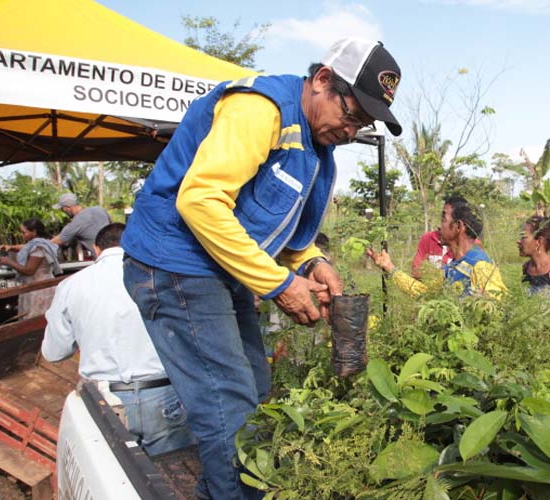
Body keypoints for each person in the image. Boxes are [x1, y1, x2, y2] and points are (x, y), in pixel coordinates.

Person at [120, 38, 402, 499]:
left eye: (363, 124)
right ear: (323, 80)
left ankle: (221, 491)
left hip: (216, 266)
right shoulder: (261, 110)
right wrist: (279, 284)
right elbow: (201, 201)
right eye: (351, 115)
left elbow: (273, 222)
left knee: (254, 382)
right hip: (174, 263)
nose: (352, 131)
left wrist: (312, 260)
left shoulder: (314, 139)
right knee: (227, 403)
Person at [42, 223, 194, 456]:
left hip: (104, 400)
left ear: (96, 248)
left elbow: (54, 353)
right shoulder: (165, 278)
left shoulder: (70, 286)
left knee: (116, 479)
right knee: (172, 480)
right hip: (164, 396)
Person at [367, 197, 506, 297]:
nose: (439, 226)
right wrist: (389, 267)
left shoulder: (480, 265)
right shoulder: (452, 268)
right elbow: (424, 292)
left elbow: (492, 312)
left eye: (443, 220)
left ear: (458, 226)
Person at [0, 218, 61, 318]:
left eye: (24, 232)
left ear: (34, 232)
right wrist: (11, 247)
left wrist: (9, 262)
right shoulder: (40, 243)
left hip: (39, 288)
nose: (22, 235)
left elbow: (29, 271)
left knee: (36, 319)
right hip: (36, 286)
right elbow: (26, 248)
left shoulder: (39, 247)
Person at [50, 192, 111, 258]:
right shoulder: (100, 209)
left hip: (104, 259)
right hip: (119, 253)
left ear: (67, 208)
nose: (62, 211)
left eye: (62, 208)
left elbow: (54, 242)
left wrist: (39, 243)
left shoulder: (75, 224)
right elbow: (112, 226)